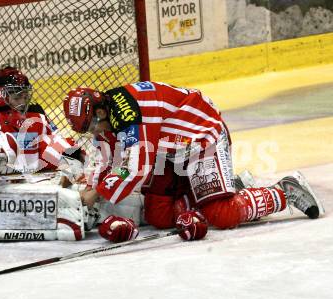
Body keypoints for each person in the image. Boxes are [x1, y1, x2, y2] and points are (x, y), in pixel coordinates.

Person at [63, 82, 321, 243]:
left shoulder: (131, 115)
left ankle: (285, 191)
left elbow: (134, 168)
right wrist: (87, 181)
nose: (93, 134)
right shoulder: (109, 116)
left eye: (91, 127)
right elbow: (107, 159)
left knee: (221, 215)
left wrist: (94, 193)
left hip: (202, 138)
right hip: (170, 150)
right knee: (159, 215)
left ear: (99, 112)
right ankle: (233, 186)